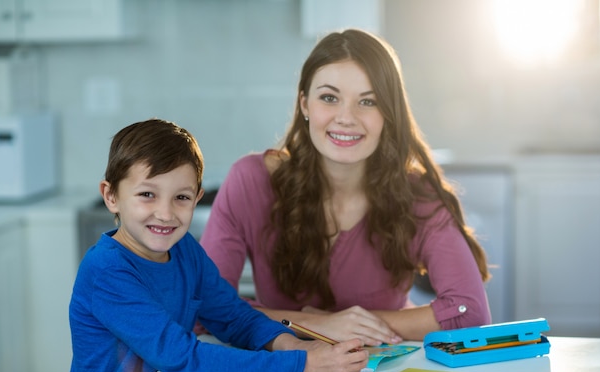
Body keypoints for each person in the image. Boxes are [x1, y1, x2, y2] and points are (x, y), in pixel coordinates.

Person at [200, 29, 492, 345]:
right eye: (329, 97)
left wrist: (346, 325)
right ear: (304, 105)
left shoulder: (417, 195)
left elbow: (469, 311)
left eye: (368, 101)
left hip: (386, 371)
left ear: (388, 115)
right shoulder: (251, 180)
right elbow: (207, 308)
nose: (346, 118)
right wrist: (316, 325)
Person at [59, 119, 368, 372]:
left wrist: (293, 346)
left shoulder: (185, 251)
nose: (166, 214)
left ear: (197, 198)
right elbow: (182, 357)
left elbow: (234, 318)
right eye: (147, 195)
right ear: (111, 196)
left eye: (181, 197)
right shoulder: (107, 270)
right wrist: (303, 366)